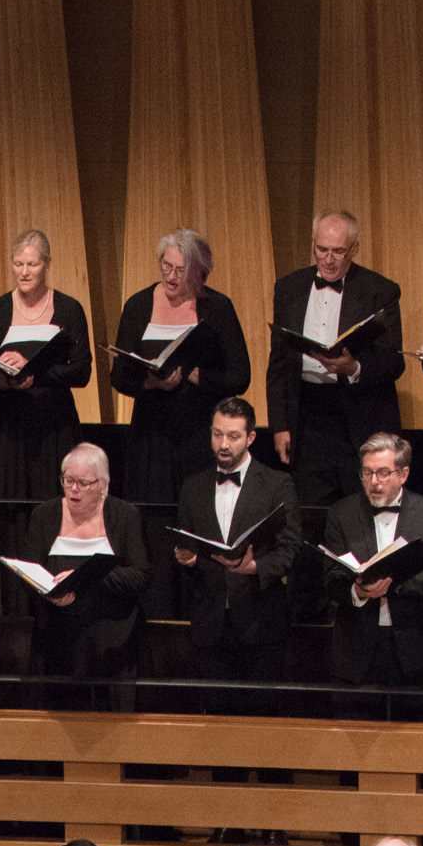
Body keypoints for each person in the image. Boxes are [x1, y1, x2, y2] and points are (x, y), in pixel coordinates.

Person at [109, 229, 253, 615]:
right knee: (153, 525)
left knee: (195, 523)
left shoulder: (217, 308)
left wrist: (194, 377)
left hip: (197, 437)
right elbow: (118, 375)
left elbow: (240, 376)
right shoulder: (139, 304)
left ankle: (200, 612)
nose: (171, 277)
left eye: (181, 270)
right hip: (150, 437)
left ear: (200, 273)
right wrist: (152, 380)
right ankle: (155, 612)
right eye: (166, 267)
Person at [265, 209, 405, 513]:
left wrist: (354, 368)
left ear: (354, 250)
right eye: (321, 249)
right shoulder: (288, 288)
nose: (328, 259)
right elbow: (278, 364)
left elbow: (394, 362)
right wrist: (279, 425)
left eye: (338, 251)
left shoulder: (379, 291)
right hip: (307, 417)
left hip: (359, 417)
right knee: (310, 514)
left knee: (364, 513)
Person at [321, 430, 423, 702]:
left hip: (416, 654)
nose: (374, 482)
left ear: (403, 474)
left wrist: (395, 582)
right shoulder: (342, 513)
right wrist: (359, 590)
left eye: (383, 473)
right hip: (355, 655)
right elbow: (331, 579)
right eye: (367, 473)